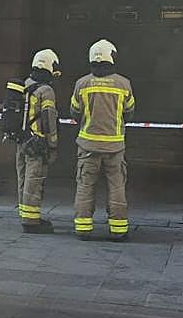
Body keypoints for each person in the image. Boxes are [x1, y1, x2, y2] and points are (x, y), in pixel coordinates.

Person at [71, 39, 135, 240]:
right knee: (116, 186)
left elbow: (74, 112)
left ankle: (83, 228)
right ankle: (118, 230)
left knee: (85, 185)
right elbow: (130, 113)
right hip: (114, 147)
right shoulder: (124, 84)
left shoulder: (82, 84)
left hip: (87, 145)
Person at [14, 49, 61, 233]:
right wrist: (53, 144)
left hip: (22, 141)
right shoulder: (46, 90)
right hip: (37, 143)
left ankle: (25, 213)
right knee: (34, 181)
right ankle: (31, 222)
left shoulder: (26, 83)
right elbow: (49, 120)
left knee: (23, 179)